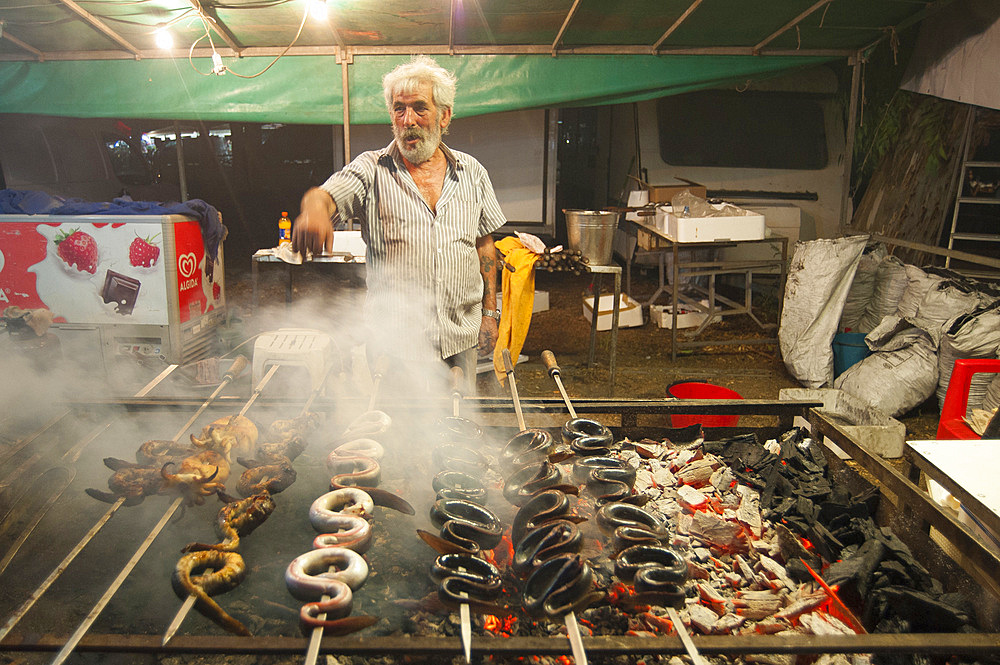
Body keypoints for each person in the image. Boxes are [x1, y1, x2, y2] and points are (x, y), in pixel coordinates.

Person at [292, 56, 506, 392]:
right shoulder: (371, 169)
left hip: (460, 336)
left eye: (420, 107)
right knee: (398, 434)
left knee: (459, 431)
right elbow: (324, 196)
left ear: (444, 115)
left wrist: (491, 314)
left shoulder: (472, 172)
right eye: (398, 109)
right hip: (396, 345)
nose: (408, 120)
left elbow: (484, 245)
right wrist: (314, 210)